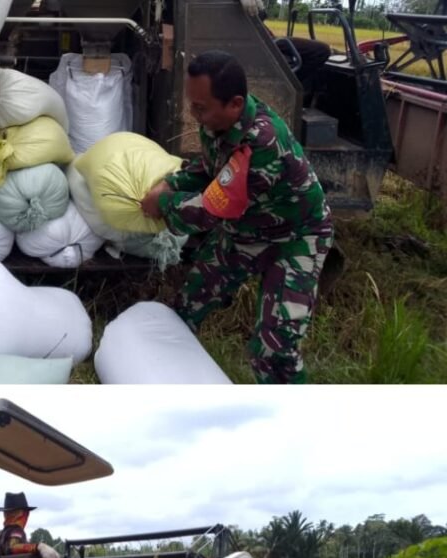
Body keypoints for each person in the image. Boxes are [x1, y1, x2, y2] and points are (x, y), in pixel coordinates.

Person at [141, 50, 333, 384]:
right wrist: (170, 183)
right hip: (248, 229)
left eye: (200, 108)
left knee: (275, 349)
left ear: (234, 103)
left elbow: (212, 210)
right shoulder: (220, 123)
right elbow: (210, 168)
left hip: (297, 237)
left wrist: (165, 203)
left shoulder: (262, 144)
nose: (193, 114)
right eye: (193, 104)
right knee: (189, 302)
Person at [0, 492, 61, 558]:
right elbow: (12, 547)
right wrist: (38, 547)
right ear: (21, 513)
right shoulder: (16, 531)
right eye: (25, 513)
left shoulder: (1, 535)